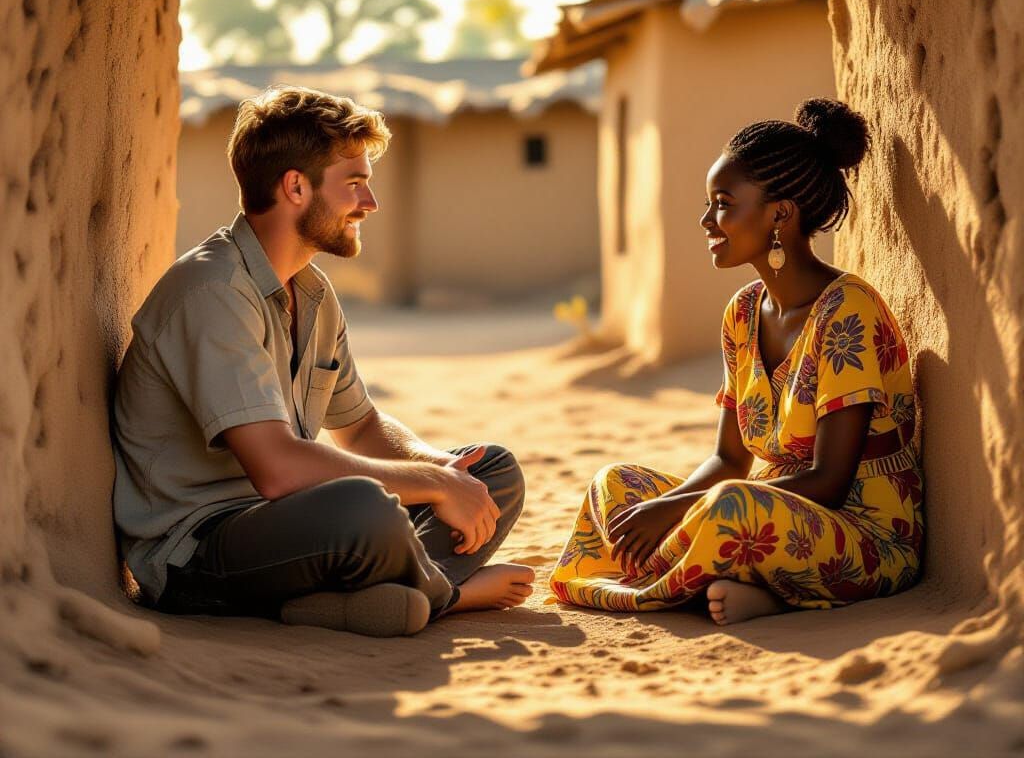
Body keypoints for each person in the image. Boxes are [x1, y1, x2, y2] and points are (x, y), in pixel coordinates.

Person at [113, 86, 534, 638]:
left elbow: (360, 427)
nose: (370, 203)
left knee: (492, 471)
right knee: (364, 510)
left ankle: (348, 603)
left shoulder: (310, 292)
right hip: (198, 552)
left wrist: (446, 471)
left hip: (295, 528)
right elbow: (278, 469)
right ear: (295, 187)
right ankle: (448, 595)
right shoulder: (212, 290)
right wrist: (433, 485)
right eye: (354, 183)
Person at [550, 98, 923, 624]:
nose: (707, 220)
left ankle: (701, 584)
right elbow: (729, 459)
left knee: (729, 506)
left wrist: (681, 510)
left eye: (723, 204)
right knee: (617, 485)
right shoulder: (743, 313)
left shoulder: (848, 310)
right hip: (760, 511)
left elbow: (829, 480)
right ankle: (724, 582)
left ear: (780, 215)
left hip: (861, 532)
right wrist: (664, 507)